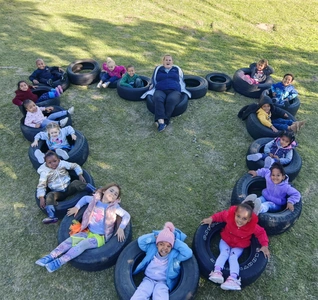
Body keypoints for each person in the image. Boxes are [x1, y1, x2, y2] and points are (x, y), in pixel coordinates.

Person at [35, 183, 130, 272]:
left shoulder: (114, 207)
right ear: (104, 191)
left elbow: (126, 215)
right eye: (111, 190)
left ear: (115, 199)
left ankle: (58, 262)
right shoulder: (94, 200)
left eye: (115, 194)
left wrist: (121, 227)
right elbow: (84, 198)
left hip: (100, 237)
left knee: (82, 244)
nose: (112, 194)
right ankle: (50, 256)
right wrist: (77, 207)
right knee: (70, 241)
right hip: (87, 231)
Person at [201, 197, 270, 291]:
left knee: (233, 257)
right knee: (224, 253)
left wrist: (264, 245)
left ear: (249, 219)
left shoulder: (252, 226)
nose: (240, 220)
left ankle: (233, 279)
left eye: (244, 218)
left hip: (239, 245)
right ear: (235, 214)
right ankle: (217, 272)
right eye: (238, 216)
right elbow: (220, 215)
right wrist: (211, 218)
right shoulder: (229, 216)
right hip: (225, 240)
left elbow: (261, 233)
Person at [131, 222, 192, 299]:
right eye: (161, 244)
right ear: (157, 244)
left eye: (168, 246)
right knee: (141, 293)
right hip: (148, 279)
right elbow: (141, 241)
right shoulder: (152, 249)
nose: (165, 248)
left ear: (172, 247)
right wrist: (154, 237)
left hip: (163, 283)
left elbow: (188, 253)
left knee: (161, 296)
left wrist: (175, 241)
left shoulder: (174, 256)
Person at [36, 150, 96, 224]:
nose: (53, 164)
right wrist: (41, 197)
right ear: (46, 163)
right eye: (49, 163)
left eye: (55, 161)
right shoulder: (44, 172)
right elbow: (41, 185)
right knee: (49, 196)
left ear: (58, 159)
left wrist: (80, 174)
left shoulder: (62, 164)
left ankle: (95, 191)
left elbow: (75, 166)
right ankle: (52, 216)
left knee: (75, 183)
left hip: (68, 187)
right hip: (58, 192)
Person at [141, 54, 191, 132]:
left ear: (172, 62)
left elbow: (181, 79)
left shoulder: (176, 69)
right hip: (160, 89)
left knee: (171, 99)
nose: (168, 61)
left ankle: (165, 122)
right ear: (163, 61)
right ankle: (161, 121)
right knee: (158, 98)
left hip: (174, 90)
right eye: (166, 60)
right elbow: (154, 78)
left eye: (169, 60)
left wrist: (183, 88)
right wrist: (152, 85)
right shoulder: (158, 69)